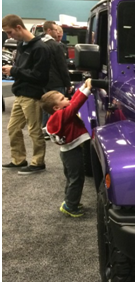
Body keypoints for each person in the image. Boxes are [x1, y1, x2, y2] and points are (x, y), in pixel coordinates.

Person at [2, 14, 50, 174]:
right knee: (13, 128)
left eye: (9, 32)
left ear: (18, 27)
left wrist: (14, 70)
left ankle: (38, 162)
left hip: (32, 95)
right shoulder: (22, 45)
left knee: (34, 130)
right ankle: (19, 159)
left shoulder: (40, 48)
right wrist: (14, 70)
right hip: (20, 93)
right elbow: (24, 70)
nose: (9, 36)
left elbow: (40, 76)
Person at [40, 78, 92, 217]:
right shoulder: (62, 115)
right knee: (77, 178)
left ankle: (70, 201)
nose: (67, 98)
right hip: (71, 153)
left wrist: (82, 89)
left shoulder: (59, 114)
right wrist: (88, 90)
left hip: (68, 152)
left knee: (71, 178)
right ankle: (71, 206)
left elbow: (73, 101)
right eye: (63, 98)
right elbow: (75, 105)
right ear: (56, 108)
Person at [41, 21, 72, 139]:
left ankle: (45, 128)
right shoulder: (56, 46)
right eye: (55, 30)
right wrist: (68, 84)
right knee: (58, 107)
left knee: (46, 105)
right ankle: (55, 129)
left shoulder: (41, 44)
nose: (57, 33)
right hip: (57, 81)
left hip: (44, 81)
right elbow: (62, 67)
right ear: (49, 30)